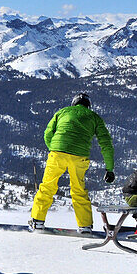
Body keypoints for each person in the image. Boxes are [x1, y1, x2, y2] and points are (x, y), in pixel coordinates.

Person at [29, 92, 116, 232]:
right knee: (79, 191)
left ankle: (37, 221)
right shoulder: (94, 118)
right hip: (79, 157)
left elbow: (48, 133)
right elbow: (106, 144)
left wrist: (54, 148)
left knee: (47, 187)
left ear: (74, 103)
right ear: (88, 105)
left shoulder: (62, 112)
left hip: (58, 153)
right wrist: (109, 169)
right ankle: (85, 226)